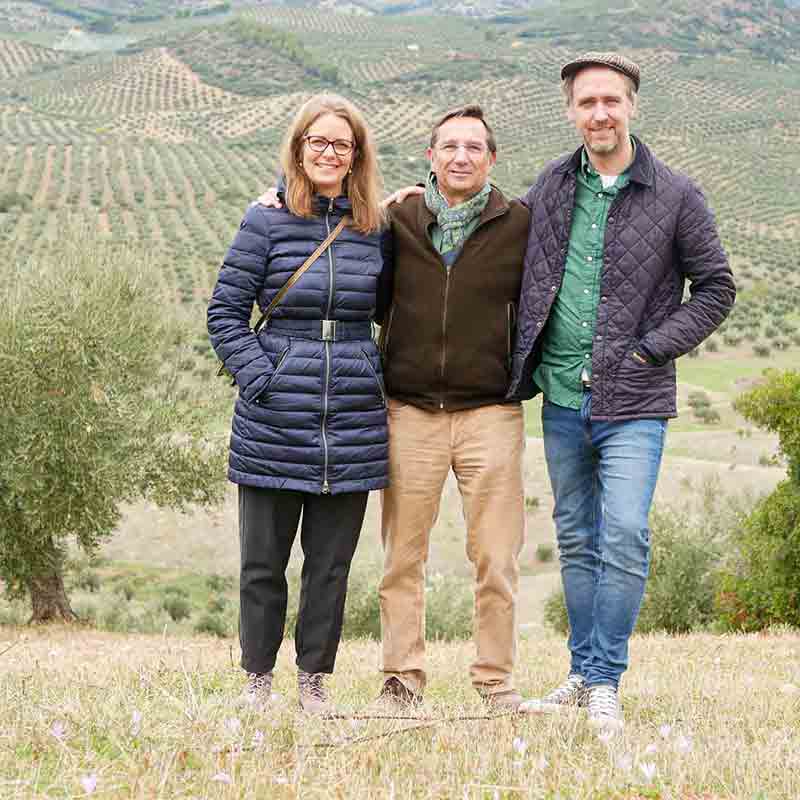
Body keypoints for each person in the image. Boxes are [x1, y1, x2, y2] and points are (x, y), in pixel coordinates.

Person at [256, 105, 530, 711]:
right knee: (402, 556)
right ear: (430, 157)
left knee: (495, 558)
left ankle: (495, 682)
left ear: (492, 159)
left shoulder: (521, 224)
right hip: (407, 412)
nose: (461, 157)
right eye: (449, 147)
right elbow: (325, 224)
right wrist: (274, 197)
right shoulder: (394, 220)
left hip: (491, 413)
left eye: (474, 148)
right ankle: (402, 679)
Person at [507, 52, 736, 729]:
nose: (599, 113)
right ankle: (580, 675)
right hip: (561, 398)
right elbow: (487, 234)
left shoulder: (676, 194)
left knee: (627, 534)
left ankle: (607, 677)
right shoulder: (549, 185)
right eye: (587, 103)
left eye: (611, 100)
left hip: (634, 398)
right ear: (570, 111)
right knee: (576, 536)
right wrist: (416, 198)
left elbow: (717, 288)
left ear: (632, 105)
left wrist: (650, 348)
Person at [207, 94, 389, 716]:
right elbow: (225, 314)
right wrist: (263, 378)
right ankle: (258, 682)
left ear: (356, 155)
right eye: (319, 142)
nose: (330, 153)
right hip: (274, 417)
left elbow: (400, 307)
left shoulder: (375, 227)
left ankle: (313, 683)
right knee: (263, 564)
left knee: (330, 567)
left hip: (354, 418)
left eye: (342, 144)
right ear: (299, 148)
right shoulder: (265, 221)